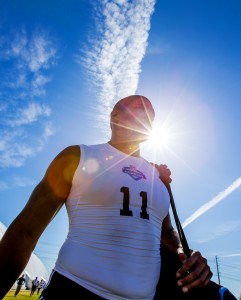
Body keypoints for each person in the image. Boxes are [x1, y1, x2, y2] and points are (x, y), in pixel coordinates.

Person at [0, 95, 212, 300]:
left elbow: (165, 232)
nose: (145, 117)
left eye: (151, 116)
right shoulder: (76, 156)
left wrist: (186, 252)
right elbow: (25, 233)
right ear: (114, 117)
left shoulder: (158, 177)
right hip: (73, 289)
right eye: (138, 110)